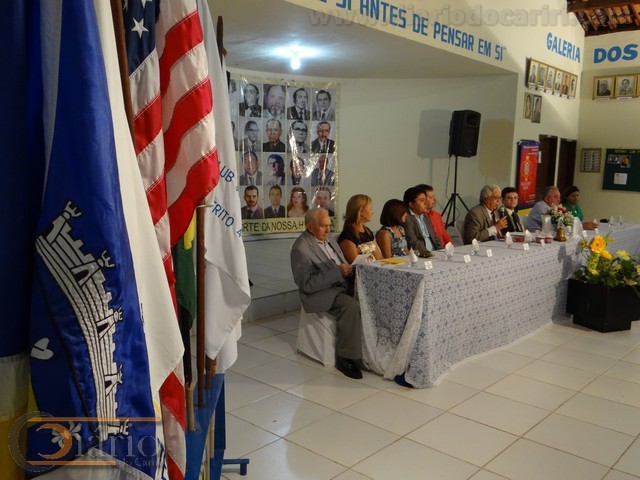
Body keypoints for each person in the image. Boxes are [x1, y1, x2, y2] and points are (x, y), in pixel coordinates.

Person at [290, 208, 363, 379]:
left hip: (342, 283)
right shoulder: (301, 248)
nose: (328, 230)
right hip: (323, 292)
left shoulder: (329, 240)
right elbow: (306, 284)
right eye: (324, 226)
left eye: (329, 225)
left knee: (371, 296)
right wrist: (338, 272)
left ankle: (369, 350)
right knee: (351, 307)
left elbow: (341, 262)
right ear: (310, 227)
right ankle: (346, 357)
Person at [338, 194, 382, 264]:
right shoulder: (347, 236)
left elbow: (379, 258)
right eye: (370, 209)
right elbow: (356, 264)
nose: (372, 212)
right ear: (361, 211)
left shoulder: (367, 231)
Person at [401, 186, 440, 255]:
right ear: (411, 204)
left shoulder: (425, 217)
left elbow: (435, 238)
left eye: (425, 199)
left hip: (434, 253)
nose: (426, 203)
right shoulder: (407, 219)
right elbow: (413, 243)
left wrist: (442, 251)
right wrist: (428, 254)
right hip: (422, 255)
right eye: (422, 200)